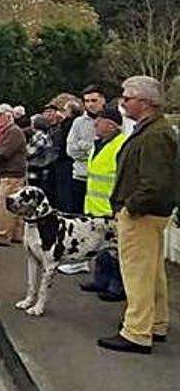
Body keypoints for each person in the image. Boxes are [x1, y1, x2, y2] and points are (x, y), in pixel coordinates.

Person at [98, 76, 178, 355]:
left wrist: (130, 207)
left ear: (145, 102)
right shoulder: (155, 130)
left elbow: (155, 183)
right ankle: (156, 323)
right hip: (149, 212)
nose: (122, 102)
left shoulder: (155, 135)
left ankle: (136, 332)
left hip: (142, 214)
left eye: (127, 97)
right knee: (152, 272)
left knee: (137, 275)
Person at [78, 108, 128, 302]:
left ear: (111, 125)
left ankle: (116, 287)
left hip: (110, 207)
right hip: (94, 205)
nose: (95, 125)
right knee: (100, 248)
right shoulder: (98, 144)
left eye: (99, 122)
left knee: (115, 251)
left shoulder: (120, 145)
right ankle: (101, 281)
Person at [0, 103, 27, 246]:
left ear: (8, 116)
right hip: (14, 173)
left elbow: (3, 153)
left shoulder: (13, 132)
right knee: (15, 205)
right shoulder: (10, 130)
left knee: (4, 205)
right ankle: (17, 234)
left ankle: (3, 235)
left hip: (11, 174)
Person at [66, 86, 106, 214]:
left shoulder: (110, 121)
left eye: (94, 100)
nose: (90, 104)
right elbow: (71, 150)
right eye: (87, 101)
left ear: (103, 100)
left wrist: (83, 146)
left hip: (103, 181)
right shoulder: (78, 122)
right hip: (80, 177)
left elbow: (108, 150)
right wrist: (92, 148)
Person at [26, 114, 58, 202]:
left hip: (37, 168)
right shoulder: (45, 135)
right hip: (41, 168)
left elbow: (30, 152)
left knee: (36, 192)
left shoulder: (39, 136)